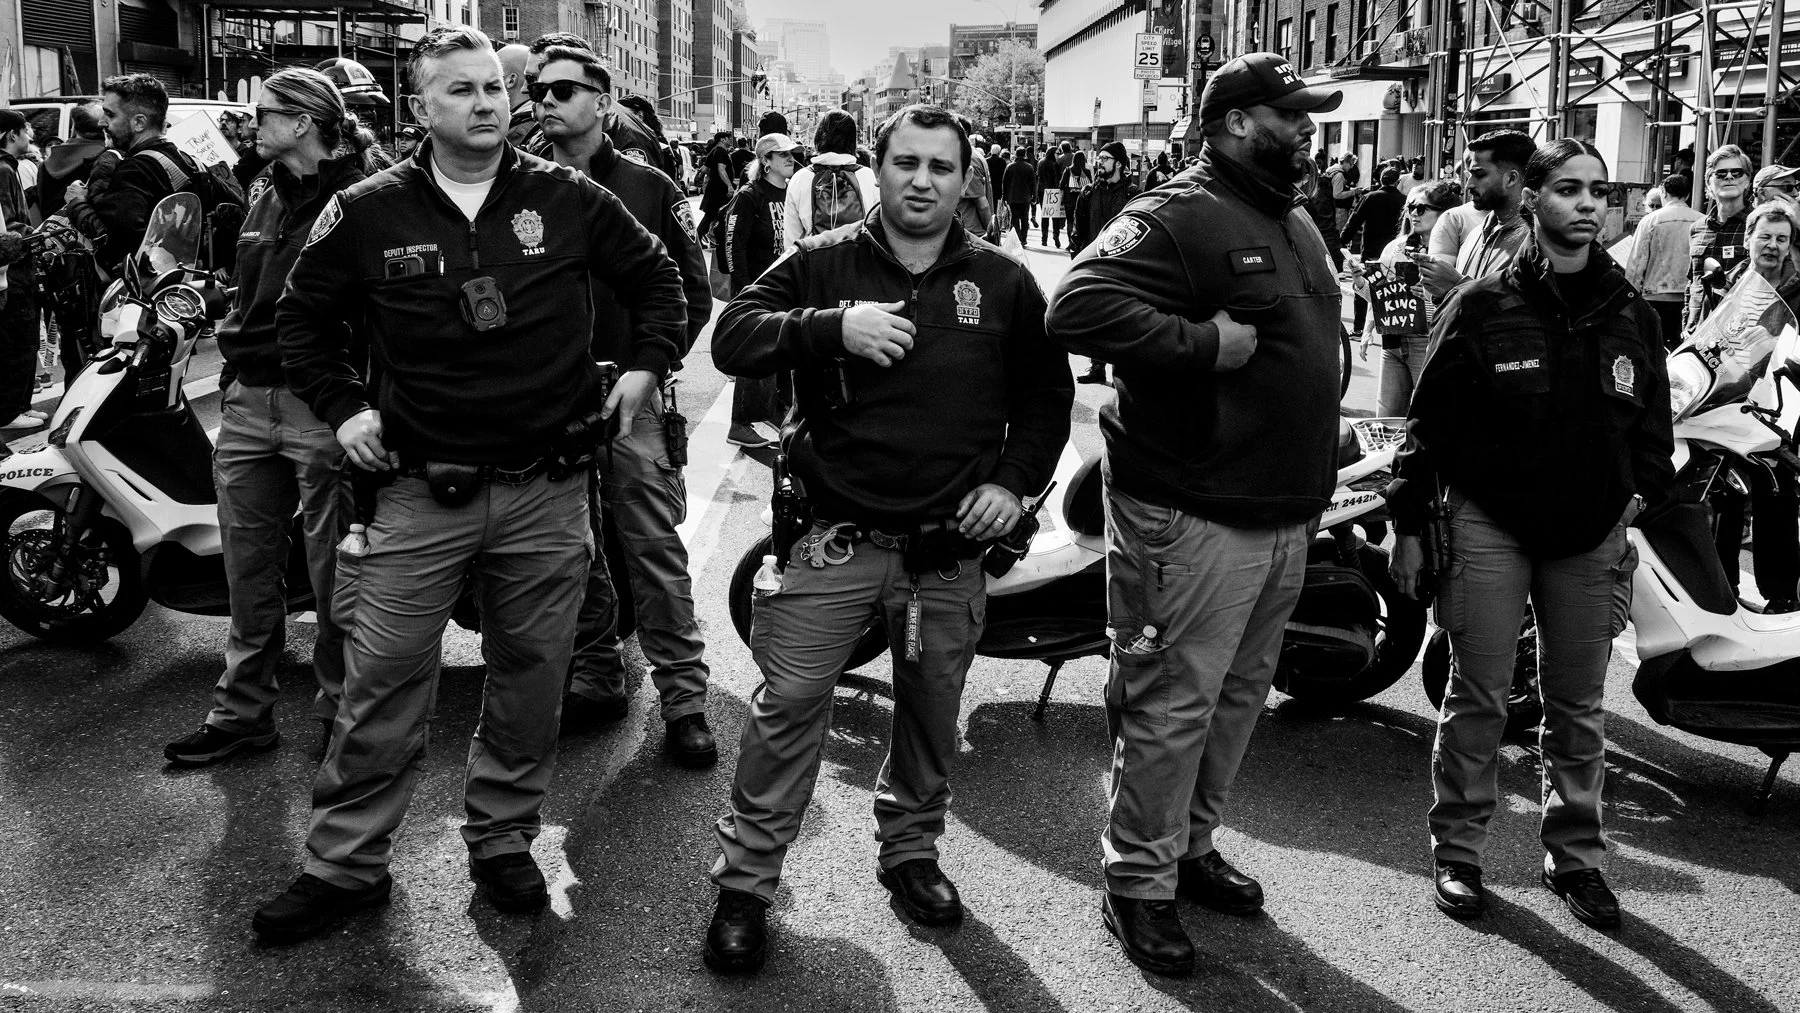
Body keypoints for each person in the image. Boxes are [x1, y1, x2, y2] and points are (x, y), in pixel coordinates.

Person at [253, 26, 688, 945]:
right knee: (382, 681)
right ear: (422, 108)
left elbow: (659, 280)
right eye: (462, 90)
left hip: (548, 489)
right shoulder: (370, 209)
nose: (487, 103)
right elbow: (301, 320)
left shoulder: (566, 197)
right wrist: (344, 411)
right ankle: (345, 861)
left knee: (531, 680)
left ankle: (502, 838)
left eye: (495, 87)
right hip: (418, 493)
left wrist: (646, 368)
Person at [704, 103, 1073, 974]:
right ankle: (745, 885)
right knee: (787, 711)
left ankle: (910, 853)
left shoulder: (1007, 281)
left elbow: (1046, 402)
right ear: (879, 167)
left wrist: (1011, 484)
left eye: (941, 167)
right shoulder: (822, 261)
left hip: (947, 553)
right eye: (906, 162)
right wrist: (832, 326)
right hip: (834, 541)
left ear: (963, 177)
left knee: (932, 713)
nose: (922, 181)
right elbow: (731, 339)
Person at [1047, 52, 1344, 979]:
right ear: (1230, 125)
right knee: (1171, 705)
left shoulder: (1292, 216)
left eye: (1308, 116)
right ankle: (1137, 884)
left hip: (1283, 509)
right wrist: (1201, 343)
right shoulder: (1176, 213)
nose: (1305, 129)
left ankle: (1189, 847)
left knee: (1236, 698)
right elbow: (1076, 307)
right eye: (1288, 115)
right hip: (1192, 513)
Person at [1388, 138, 1673, 931]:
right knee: (1476, 696)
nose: (1588, 203)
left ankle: (1575, 858)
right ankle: (1459, 854)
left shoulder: (1634, 317)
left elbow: (1654, 435)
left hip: (1588, 535)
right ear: (1536, 198)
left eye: (1600, 191)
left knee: (1578, 704)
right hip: (1488, 524)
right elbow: (1427, 428)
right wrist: (1411, 529)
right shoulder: (1481, 305)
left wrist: (1634, 503)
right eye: (1571, 189)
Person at [161, 68, 374, 766]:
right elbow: (252, 290)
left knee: (337, 574)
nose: (253, 123)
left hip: (326, 403)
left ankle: (341, 711)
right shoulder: (260, 191)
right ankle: (242, 710)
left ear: (305, 121)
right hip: (250, 398)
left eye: (267, 112)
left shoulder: (367, 196)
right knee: (248, 570)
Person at [534, 45, 720, 753]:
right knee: (567, 551)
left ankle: (684, 701)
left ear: (602, 102)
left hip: (631, 398)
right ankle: (596, 674)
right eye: (537, 90)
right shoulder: (521, 186)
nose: (546, 102)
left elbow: (692, 295)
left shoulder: (648, 188)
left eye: (562, 90)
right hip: (547, 403)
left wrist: (651, 365)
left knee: (651, 549)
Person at [1695, 200, 1800, 614]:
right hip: (1728, 402)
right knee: (1723, 493)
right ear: (1748, 238)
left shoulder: (1797, 287)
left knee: (1776, 494)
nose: (1772, 246)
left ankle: (1782, 593)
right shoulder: (1732, 281)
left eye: (1782, 239)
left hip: (1778, 407)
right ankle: (1723, 585)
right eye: (1765, 237)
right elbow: (1706, 331)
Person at [59, 74, 205, 275]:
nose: (101, 123)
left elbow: (116, 247)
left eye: (109, 115)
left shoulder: (134, 171)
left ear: (139, 123)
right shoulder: (191, 162)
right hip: (187, 291)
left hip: (146, 295)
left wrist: (76, 203)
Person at [722, 132, 802, 451]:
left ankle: (775, 410)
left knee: (782, 349)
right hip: (758, 287)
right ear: (765, 161)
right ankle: (740, 423)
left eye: (792, 154)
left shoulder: (792, 192)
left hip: (785, 286)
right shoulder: (750, 195)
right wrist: (745, 290)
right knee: (755, 352)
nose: (790, 159)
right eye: (782, 154)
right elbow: (732, 244)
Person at [1360, 180, 1460, 418]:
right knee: (1385, 418)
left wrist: (1429, 296)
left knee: (1426, 417)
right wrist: (1361, 285)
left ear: (1443, 213)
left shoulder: (1452, 249)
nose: (1414, 213)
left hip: (1426, 340)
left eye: (1421, 208)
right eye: (1410, 207)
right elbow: (1379, 297)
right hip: (1393, 340)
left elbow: (1460, 297)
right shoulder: (1395, 247)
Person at [1418, 130, 1536, 303]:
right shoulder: (1476, 234)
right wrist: (1439, 291)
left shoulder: (1536, 241)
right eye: (1469, 175)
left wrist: (1456, 286)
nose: (1469, 185)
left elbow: (1522, 317)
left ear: (1511, 178)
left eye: (1479, 175)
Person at [1069, 141, 1142, 385]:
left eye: (1105, 158)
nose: (1100, 162)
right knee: (1095, 316)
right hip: (1094, 263)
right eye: (1099, 158)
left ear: (1119, 163)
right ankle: (1097, 366)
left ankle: (1124, 372)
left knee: (1123, 318)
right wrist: (1076, 260)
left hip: (1123, 267)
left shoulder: (1134, 195)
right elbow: (1078, 229)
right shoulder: (1088, 192)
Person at [1625, 172, 1705, 347]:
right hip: (1689, 298)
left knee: (1653, 349)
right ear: (1687, 195)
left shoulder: (1650, 221)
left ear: (1663, 193)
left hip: (1655, 295)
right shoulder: (1702, 221)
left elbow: (1636, 263)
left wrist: (1629, 297)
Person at [783, 109, 878, 254]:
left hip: (815, 266)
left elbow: (791, 241)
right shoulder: (870, 177)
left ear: (819, 137)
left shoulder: (800, 178)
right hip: (860, 265)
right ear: (853, 141)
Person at [1685, 144, 1756, 330]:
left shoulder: (1758, 226)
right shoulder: (1697, 228)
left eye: (1737, 172)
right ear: (1709, 182)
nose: (1729, 177)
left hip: (1741, 333)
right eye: (1721, 174)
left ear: (1748, 180)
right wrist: (1687, 320)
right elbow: (1693, 280)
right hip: (1699, 332)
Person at [0, 110, 38, 432]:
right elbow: (8, 225)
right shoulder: (3, 170)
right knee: (18, 339)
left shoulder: (9, 168)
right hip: (12, 271)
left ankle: (18, 406)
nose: (31, 134)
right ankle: (11, 411)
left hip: (14, 268)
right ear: (11, 134)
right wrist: (36, 234)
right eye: (25, 128)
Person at [1340, 166, 1407, 339]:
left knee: (1363, 285)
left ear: (1380, 180)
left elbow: (1354, 221)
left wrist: (1342, 240)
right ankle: (1393, 326)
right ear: (1397, 182)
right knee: (1392, 288)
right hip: (1394, 251)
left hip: (1371, 248)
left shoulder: (1370, 197)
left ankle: (1358, 328)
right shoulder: (1404, 200)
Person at [955, 130, 997, 242]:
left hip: (969, 231)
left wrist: (990, 233)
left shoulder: (968, 158)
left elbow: (982, 203)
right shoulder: (976, 155)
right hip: (970, 230)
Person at [697, 130, 736, 246]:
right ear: (722, 140)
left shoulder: (714, 151)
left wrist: (711, 174)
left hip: (713, 188)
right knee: (717, 214)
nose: (730, 140)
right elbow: (721, 169)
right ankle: (707, 236)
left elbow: (704, 169)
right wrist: (729, 185)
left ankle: (705, 236)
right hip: (719, 190)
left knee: (712, 215)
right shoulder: (721, 152)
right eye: (728, 138)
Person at [1003, 144, 1036, 246]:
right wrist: (1034, 196)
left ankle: (1017, 237)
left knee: (1015, 219)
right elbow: (1033, 183)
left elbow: (1005, 183)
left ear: (1016, 154)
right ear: (1024, 154)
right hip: (1025, 197)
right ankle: (1024, 238)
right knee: (1025, 218)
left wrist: (1004, 197)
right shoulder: (1029, 167)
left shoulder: (1010, 167)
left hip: (1013, 197)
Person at [1036, 143, 1064, 247]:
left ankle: (1044, 239)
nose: (1058, 155)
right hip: (1053, 191)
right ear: (1053, 153)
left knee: (1045, 216)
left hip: (1042, 191)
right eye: (1057, 153)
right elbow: (1057, 179)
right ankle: (1056, 236)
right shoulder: (1055, 164)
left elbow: (1038, 177)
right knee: (1055, 216)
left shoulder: (1040, 162)